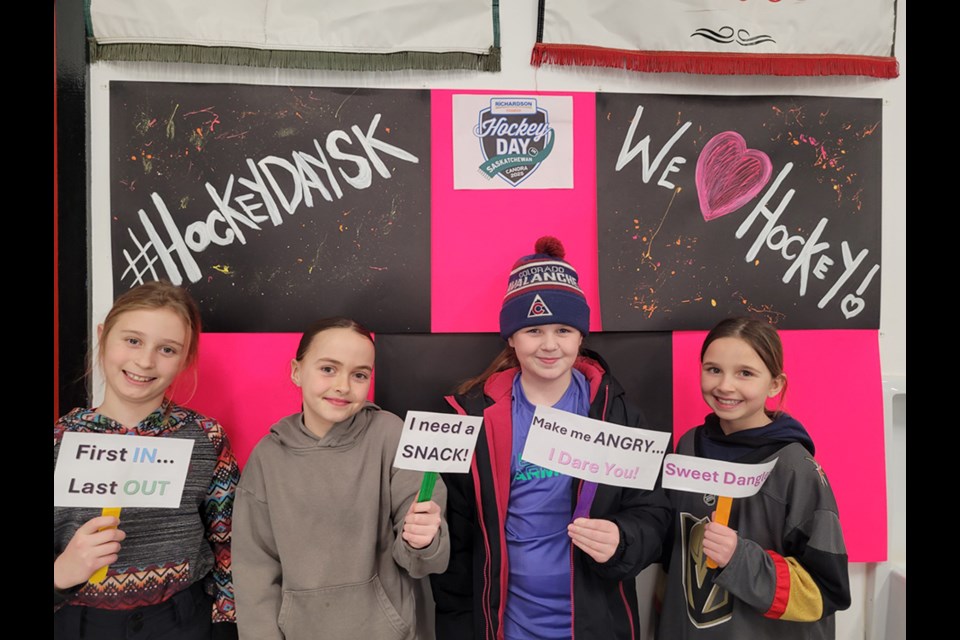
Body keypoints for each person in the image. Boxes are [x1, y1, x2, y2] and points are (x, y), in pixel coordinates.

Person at [431, 236, 671, 640]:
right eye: (533, 330)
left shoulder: (616, 414)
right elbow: (458, 547)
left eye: (563, 329)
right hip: (504, 626)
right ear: (510, 337)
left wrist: (624, 539)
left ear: (581, 337)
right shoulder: (472, 417)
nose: (549, 345)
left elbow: (655, 513)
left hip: (596, 625)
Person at [232, 317, 450, 640]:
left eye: (359, 374)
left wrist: (424, 539)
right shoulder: (267, 456)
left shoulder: (391, 434)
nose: (343, 386)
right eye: (328, 369)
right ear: (296, 371)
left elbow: (422, 560)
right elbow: (254, 571)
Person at [54, 280, 240, 640]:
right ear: (103, 335)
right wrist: (61, 573)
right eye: (133, 340)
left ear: (185, 358)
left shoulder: (205, 437)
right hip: (77, 622)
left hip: (183, 621)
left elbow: (229, 543)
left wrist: (225, 623)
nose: (144, 361)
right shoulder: (60, 441)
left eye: (167, 349)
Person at [658, 316, 851, 639]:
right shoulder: (687, 446)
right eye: (713, 369)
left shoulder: (796, 468)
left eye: (745, 373)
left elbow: (826, 592)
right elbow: (673, 557)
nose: (725, 386)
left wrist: (741, 558)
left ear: (774, 384)